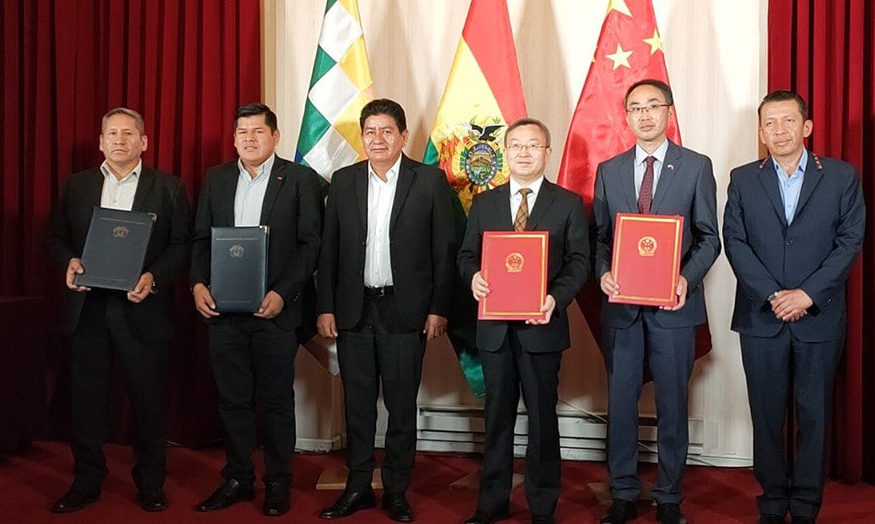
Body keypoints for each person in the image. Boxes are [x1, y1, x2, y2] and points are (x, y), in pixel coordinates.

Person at [723, 90, 865, 524]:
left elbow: (850, 240)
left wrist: (806, 294)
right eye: (769, 123)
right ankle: (771, 501)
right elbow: (736, 241)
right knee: (765, 413)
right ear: (761, 131)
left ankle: (805, 505)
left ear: (806, 127)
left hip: (817, 315)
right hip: (761, 315)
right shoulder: (743, 177)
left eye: (787, 121)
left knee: (814, 413)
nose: (778, 130)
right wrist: (772, 294)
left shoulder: (841, 176)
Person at [316, 98, 456, 522]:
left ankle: (397, 490)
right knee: (357, 406)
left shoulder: (429, 181)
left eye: (386, 131)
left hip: (405, 310)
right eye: (370, 132)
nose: (377, 139)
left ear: (403, 136)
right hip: (354, 310)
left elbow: (444, 251)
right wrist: (325, 307)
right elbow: (330, 251)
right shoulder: (343, 181)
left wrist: (438, 308)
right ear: (363, 137)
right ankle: (357, 487)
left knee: (400, 407)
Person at [45, 107, 191, 514]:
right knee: (87, 401)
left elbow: (182, 246)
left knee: (148, 402)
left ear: (144, 142)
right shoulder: (77, 186)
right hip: (88, 308)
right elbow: (55, 239)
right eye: (112, 133)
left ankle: (150, 483)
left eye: (129, 134)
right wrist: (69, 263)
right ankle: (86, 480)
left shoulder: (169, 188)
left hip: (142, 309)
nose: (119, 140)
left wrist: (153, 277)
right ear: (100, 141)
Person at [592, 79, 721, 524]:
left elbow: (709, 238)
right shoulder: (609, 169)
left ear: (669, 112)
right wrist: (603, 272)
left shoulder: (696, 167)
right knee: (622, 402)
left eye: (653, 106)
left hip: (674, 308)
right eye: (635, 108)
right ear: (625, 117)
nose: (644, 115)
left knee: (672, 404)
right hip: (623, 310)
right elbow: (601, 239)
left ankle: (669, 496)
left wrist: (686, 277)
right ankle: (623, 492)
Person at [189, 103, 323, 516]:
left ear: (275, 136)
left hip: (275, 312)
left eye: (258, 131)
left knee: (278, 401)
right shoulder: (217, 178)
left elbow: (310, 244)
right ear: (233, 139)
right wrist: (197, 284)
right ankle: (237, 478)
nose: (249, 138)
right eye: (242, 132)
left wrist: (283, 292)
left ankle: (278, 482)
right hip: (224, 312)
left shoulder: (300, 179)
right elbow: (200, 239)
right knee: (232, 401)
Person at [457, 118, 591, 524]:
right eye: (516, 146)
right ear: (505, 152)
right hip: (495, 331)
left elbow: (579, 262)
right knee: (496, 418)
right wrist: (474, 277)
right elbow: (466, 257)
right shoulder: (485, 203)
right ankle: (491, 502)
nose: (524, 153)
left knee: (542, 418)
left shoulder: (567, 203)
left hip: (542, 328)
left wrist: (554, 298)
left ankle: (543, 506)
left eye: (533, 145)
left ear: (547, 152)